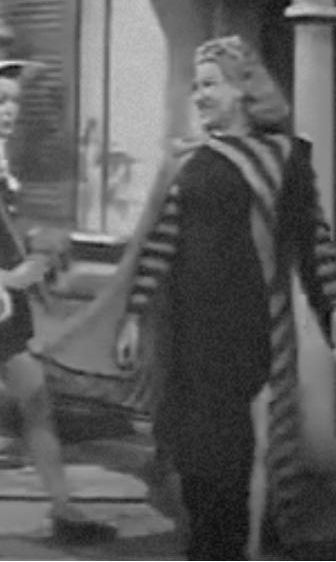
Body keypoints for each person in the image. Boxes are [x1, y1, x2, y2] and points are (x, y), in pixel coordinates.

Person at [114, 35, 336, 559]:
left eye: (210, 84)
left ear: (242, 90)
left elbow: (315, 244)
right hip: (188, 335)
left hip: (249, 331)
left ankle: (231, 549)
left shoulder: (285, 158)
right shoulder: (191, 161)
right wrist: (134, 316)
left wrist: (332, 309)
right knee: (192, 455)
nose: (199, 95)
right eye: (197, 86)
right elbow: (160, 244)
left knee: (234, 457)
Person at [0, 53, 117, 557]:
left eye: (15, 101)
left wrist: (34, 245)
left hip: (7, 298)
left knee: (36, 400)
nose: (11, 110)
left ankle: (64, 509)